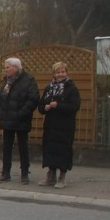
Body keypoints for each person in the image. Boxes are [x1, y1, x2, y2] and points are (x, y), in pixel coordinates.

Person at [0, 57, 39, 184]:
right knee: (6, 147)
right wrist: (0, 113)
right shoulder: (6, 82)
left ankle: (25, 173)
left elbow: (33, 99)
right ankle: (5, 173)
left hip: (21, 120)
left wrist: (20, 114)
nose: (6, 70)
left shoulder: (29, 80)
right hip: (7, 120)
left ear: (16, 67)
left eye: (7, 67)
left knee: (23, 147)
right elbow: (0, 99)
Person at [38, 61, 82, 189]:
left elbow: (75, 106)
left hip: (65, 126)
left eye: (63, 72)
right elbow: (40, 106)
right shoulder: (49, 88)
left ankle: (62, 177)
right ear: (54, 74)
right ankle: (50, 176)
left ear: (66, 73)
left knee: (63, 150)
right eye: (58, 72)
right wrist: (45, 107)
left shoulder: (71, 88)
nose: (60, 74)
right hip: (51, 125)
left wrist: (58, 105)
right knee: (50, 150)